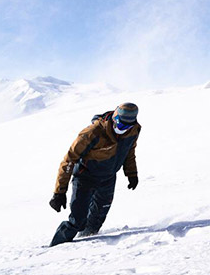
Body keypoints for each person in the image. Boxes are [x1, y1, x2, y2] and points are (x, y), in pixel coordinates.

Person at [48, 102, 141, 246]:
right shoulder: (92, 133)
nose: (123, 130)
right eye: (121, 125)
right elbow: (69, 160)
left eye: (127, 127)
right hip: (85, 177)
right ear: (114, 118)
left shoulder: (134, 130)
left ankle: (87, 246)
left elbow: (129, 151)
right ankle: (56, 247)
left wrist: (131, 173)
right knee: (77, 221)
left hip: (108, 178)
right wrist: (59, 192)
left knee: (97, 219)